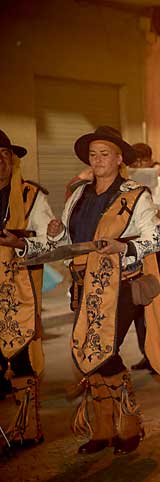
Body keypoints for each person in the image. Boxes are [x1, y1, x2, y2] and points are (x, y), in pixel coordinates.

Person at [19, 125, 160, 455]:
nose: (98, 160)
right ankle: (104, 428)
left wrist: (123, 247)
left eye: (105, 154)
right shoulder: (79, 195)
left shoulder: (136, 195)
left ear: (119, 159)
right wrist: (56, 233)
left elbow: (153, 239)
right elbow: (67, 242)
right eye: (93, 155)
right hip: (83, 286)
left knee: (105, 351)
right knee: (90, 355)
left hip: (121, 285)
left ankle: (129, 422)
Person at [0, 130, 58, 450]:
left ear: (13, 160)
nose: (0, 162)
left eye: (4, 155)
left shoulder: (31, 196)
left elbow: (50, 245)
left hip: (20, 292)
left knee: (22, 356)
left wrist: (20, 243)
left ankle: (27, 427)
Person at [128, 143, 160, 373]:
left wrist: (152, 207)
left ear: (151, 161)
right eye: (135, 162)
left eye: (144, 160)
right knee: (137, 302)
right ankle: (147, 353)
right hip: (137, 250)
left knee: (157, 301)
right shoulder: (126, 187)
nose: (140, 165)